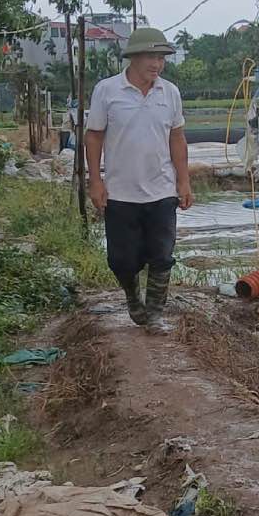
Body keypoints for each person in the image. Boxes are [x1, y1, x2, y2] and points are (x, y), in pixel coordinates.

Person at [84, 28, 193, 327]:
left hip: (162, 190)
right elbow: (93, 137)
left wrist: (183, 181)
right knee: (122, 260)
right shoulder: (107, 91)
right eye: (150, 56)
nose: (156, 64)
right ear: (132, 58)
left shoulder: (169, 92)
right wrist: (96, 180)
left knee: (162, 255)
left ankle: (154, 314)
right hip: (120, 192)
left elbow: (177, 138)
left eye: (161, 58)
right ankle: (133, 298)